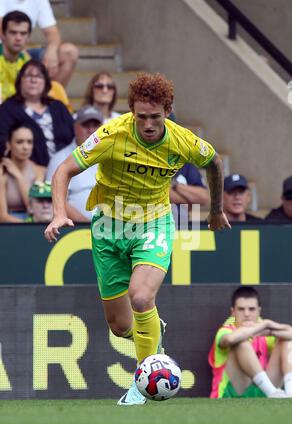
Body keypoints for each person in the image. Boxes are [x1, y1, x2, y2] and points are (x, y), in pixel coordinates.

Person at [44, 72, 231, 405]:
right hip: (107, 229)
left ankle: (141, 384)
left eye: (155, 117)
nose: (147, 124)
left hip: (153, 225)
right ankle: (153, 335)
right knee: (119, 326)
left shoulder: (181, 140)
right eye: (140, 116)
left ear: (168, 111)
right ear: (130, 111)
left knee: (141, 298)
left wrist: (216, 209)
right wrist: (60, 212)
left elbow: (214, 162)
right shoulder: (111, 135)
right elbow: (64, 171)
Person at [208, 286, 292, 399]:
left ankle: (290, 391)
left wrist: (270, 329)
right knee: (241, 343)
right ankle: (272, 392)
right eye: (241, 309)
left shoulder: (265, 331)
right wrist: (263, 325)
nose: (247, 314)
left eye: (252, 309)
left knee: (286, 340)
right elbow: (230, 339)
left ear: (259, 311)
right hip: (230, 396)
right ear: (233, 311)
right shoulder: (225, 330)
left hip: (262, 394)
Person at [0, 59, 74, 166]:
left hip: (64, 168)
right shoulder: (7, 109)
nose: (33, 80)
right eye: (29, 76)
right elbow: (3, 143)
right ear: (20, 80)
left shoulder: (58, 107)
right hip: (27, 171)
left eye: (38, 76)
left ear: (46, 82)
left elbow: (73, 137)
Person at [0, 11, 72, 109]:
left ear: (28, 37)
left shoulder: (28, 64)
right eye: (13, 33)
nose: (18, 38)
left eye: (23, 33)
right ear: (3, 35)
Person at [0, 1, 79, 87]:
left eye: (22, 34)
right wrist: (25, 56)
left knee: (69, 52)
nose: (18, 37)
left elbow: (53, 34)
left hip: (23, 51)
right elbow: (2, 30)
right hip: (5, 51)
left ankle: (50, 96)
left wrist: (51, 51)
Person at [46, 105, 103, 221]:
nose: (91, 130)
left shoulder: (113, 155)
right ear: (75, 127)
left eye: (96, 126)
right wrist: (87, 224)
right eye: (86, 125)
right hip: (74, 231)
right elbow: (53, 198)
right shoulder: (60, 159)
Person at [0, 124, 45, 222]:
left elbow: (32, 208)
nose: (25, 147)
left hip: (33, 224)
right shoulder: (1, 171)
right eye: (19, 142)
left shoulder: (39, 171)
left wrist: (19, 177)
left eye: (29, 142)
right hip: (8, 228)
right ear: (8, 144)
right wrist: (27, 227)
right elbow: (2, 216)